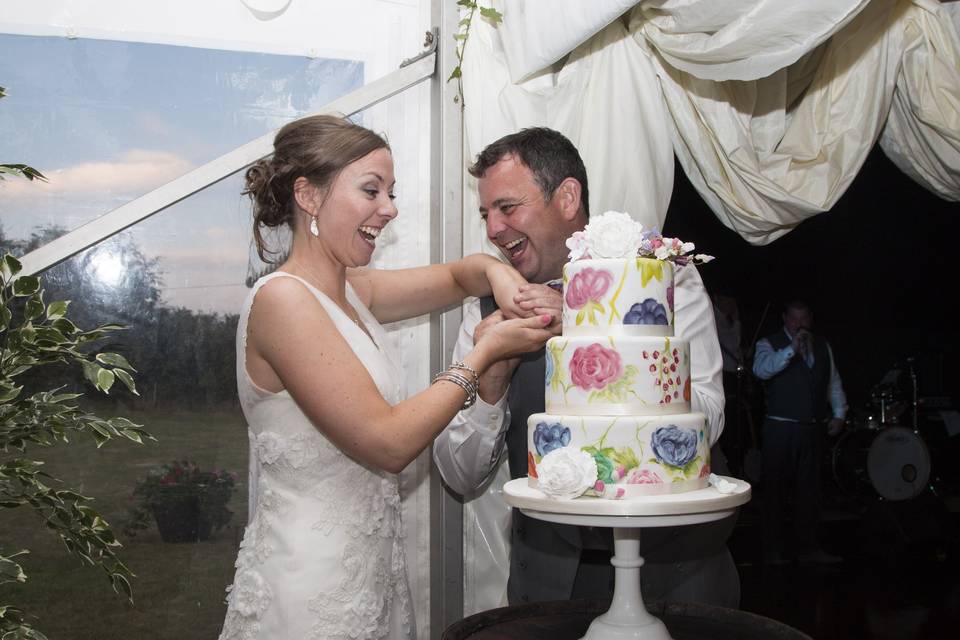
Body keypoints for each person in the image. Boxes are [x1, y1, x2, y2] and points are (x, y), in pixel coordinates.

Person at [218, 115, 555, 640]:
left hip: (371, 569)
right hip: (312, 587)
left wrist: (497, 274)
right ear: (308, 195)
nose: (390, 209)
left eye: (391, 192)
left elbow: (456, 274)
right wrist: (482, 356)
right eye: (371, 189)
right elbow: (388, 442)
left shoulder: (352, 291)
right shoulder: (283, 300)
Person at [432, 127, 737, 607]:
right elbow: (460, 474)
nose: (492, 229)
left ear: (567, 196)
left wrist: (585, 322)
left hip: (678, 575)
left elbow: (708, 417)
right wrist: (492, 376)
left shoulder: (663, 278)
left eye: (508, 208)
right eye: (486, 213)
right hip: (549, 588)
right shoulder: (486, 311)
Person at [752, 299, 847, 566]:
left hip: (811, 428)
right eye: (794, 319)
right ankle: (772, 550)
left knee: (810, 491)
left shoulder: (822, 346)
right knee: (775, 491)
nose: (799, 325)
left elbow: (833, 381)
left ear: (810, 319)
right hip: (780, 429)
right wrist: (791, 349)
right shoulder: (768, 344)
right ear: (785, 319)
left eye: (804, 319)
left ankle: (809, 549)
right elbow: (762, 370)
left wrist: (840, 413)